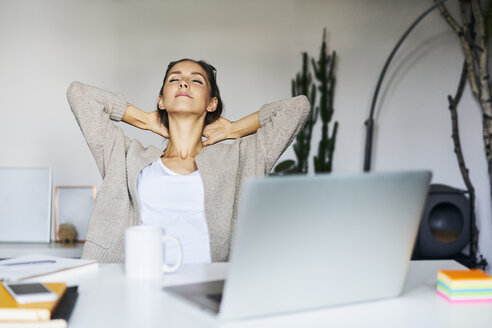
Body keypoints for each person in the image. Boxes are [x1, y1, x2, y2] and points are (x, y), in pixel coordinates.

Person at [67, 58, 310, 263]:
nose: (184, 82)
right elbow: (80, 95)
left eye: (196, 80)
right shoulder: (126, 157)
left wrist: (233, 129)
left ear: (212, 103)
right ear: (161, 100)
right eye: (174, 79)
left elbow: (297, 108)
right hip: (138, 285)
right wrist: (144, 120)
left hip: (209, 294)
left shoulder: (238, 159)